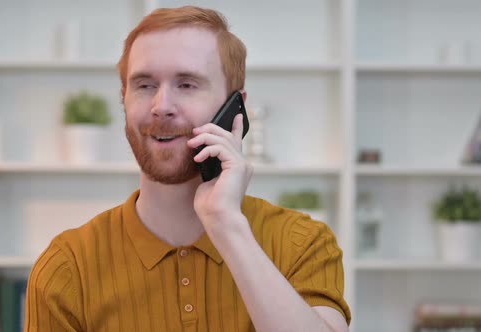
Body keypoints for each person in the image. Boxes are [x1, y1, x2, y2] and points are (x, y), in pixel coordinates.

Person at [25, 5, 351, 332]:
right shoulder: (66, 266)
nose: (161, 106)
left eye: (187, 84)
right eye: (144, 85)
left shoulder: (303, 242)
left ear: (235, 108)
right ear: (123, 99)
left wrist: (226, 224)